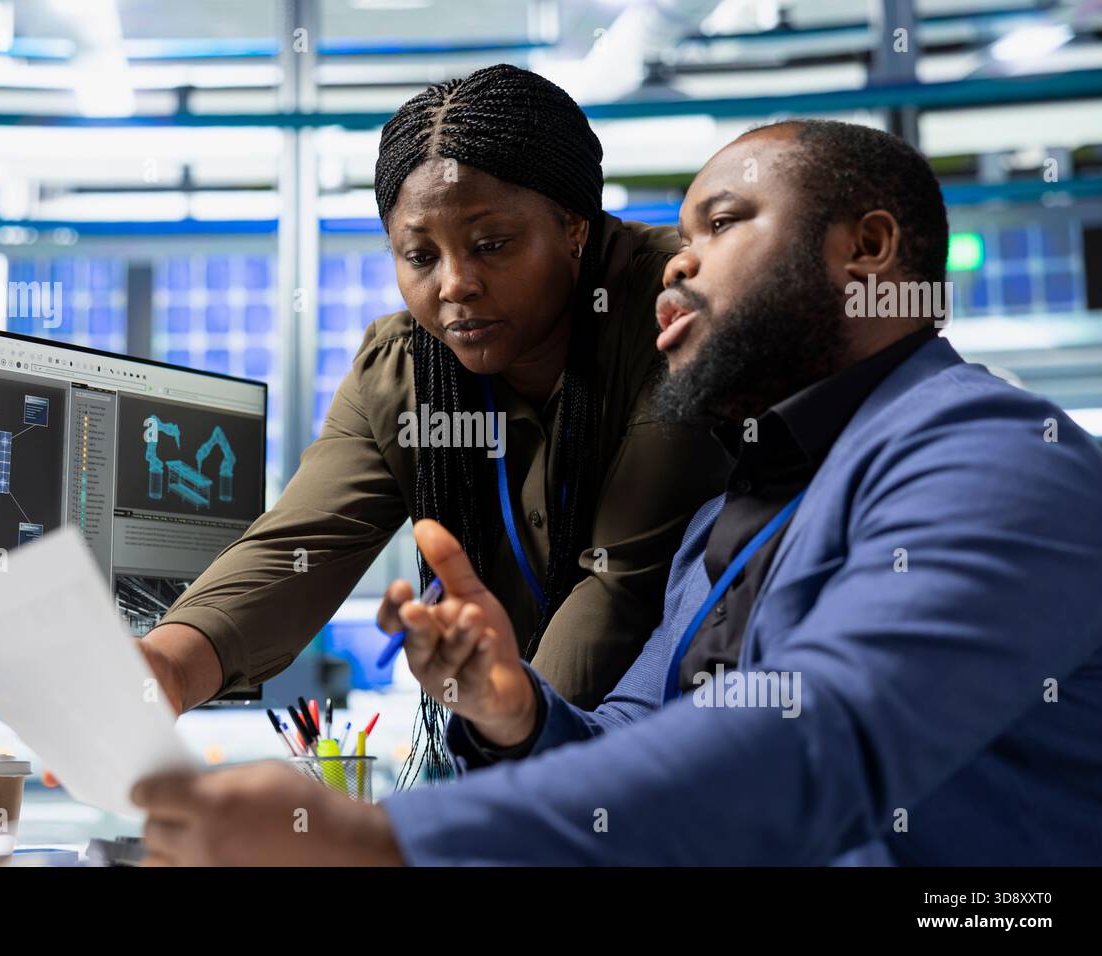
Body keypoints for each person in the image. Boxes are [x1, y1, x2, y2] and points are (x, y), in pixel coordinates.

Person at [132, 119, 1102, 866]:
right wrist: (516, 710)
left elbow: (821, 737)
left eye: (719, 224)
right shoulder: (736, 514)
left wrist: (387, 838)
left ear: (868, 249)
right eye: (679, 235)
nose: (676, 261)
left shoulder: (992, 453)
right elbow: (634, 733)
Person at [140, 64, 729, 748]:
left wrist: (510, 773)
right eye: (420, 256)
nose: (457, 285)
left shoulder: (677, 320)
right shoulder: (404, 371)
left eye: (492, 245)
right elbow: (300, 544)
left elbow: (620, 584)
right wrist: (167, 668)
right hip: (535, 761)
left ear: (573, 227)